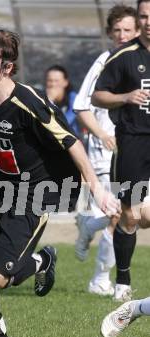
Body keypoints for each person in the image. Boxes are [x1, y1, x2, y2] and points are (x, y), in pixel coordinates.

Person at [0, 29, 120, 337]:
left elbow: (72, 142)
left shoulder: (29, 102)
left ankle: (41, 261)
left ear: (7, 67)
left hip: (35, 192)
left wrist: (96, 189)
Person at [73, 4, 139, 297]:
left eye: (128, 30)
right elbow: (80, 106)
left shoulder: (142, 60)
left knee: (131, 215)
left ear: (138, 30)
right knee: (121, 214)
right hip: (106, 153)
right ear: (110, 34)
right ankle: (101, 279)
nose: (122, 35)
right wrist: (102, 134)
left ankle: (89, 225)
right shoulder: (106, 59)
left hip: (136, 149)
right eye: (117, 31)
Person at [92, 0, 150, 302]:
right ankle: (123, 281)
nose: (149, 21)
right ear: (138, 19)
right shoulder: (123, 56)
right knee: (130, 216)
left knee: (145, 216)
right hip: (133, 141)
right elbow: (98, 96)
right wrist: (126, 96)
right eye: (144, 16)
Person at [45, 65, 81, 137]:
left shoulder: (74, 99)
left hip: (70, 140)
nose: (53, 84)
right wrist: (48, 101)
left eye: (56, 81)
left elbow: (65, 123)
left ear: (65, 82)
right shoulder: (40, 98)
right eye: (50, 80)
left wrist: (50, 102)